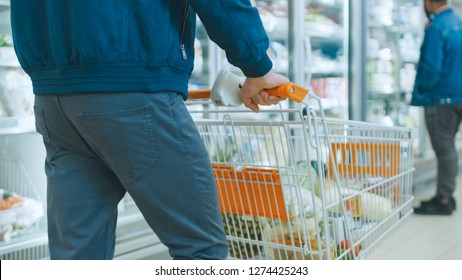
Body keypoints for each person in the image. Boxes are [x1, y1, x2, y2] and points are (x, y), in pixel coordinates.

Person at [10, 0, 289, 259]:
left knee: (78, 256)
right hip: (134, 88)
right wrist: (257, 67)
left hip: (55, 99)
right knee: (201, 252)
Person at [411, 0, 462, 215]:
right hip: (457, 96)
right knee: (449, 148)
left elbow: (431, 68)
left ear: (429, 2)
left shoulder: (437, 27)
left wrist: (421, 91)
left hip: (440, 99)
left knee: (444, 150)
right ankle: (446, 195)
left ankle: (443, 199)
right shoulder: (457, 22)